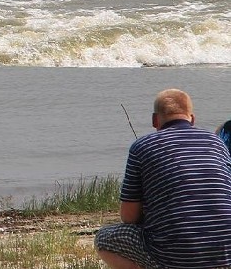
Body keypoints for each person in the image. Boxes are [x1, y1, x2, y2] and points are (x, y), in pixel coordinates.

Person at [95, 89, 231, 269]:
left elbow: (128, 216)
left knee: (104, 239)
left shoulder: (141, 147)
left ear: (154, 120)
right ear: (192, 119)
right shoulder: (217, 143)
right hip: (225, 254)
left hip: (173, 257)